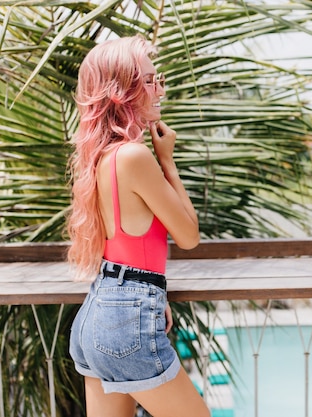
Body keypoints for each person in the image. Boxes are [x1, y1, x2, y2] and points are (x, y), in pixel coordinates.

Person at [67, 35, 209, 417]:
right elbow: (189, 235)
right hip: (125, 319)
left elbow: (127, 247)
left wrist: (152, 295)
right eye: (148, 80)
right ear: (120, 92)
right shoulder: (134, 156)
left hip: (100, 312)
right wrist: (169, 162)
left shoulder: (102, 157)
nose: (159, 88)